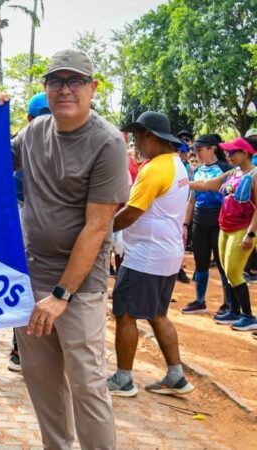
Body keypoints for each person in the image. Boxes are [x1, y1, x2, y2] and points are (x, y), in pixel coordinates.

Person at [11, 49, 129, 449]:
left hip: (78, 289)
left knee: (87, 385)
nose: (65, 90)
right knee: (42, 380)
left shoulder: (107, 143)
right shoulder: (34, 133)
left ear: (92, 88)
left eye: (75, 81)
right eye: (56, 81)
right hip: (31, 280)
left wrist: (61, 295)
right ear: (45, 89)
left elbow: (97, 228)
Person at [106, 111, 194, 398]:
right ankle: (176, 375)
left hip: (145, 255)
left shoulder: (154, 169)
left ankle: (123, 379)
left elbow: (132, 212)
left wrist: (102, 230)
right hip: (166, 253)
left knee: (125, 313)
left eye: (137, 137)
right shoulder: (176, 164)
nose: (136, 144)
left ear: (150, 136)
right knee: (157, 314)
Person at [190, 137, 257, 332]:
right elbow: (207, 184)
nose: (228, 155)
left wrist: (251, 234)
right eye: (227, 151)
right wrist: (184, 183)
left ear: (245, 153)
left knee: (234, 272)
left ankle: (249, 316)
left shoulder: (254, 175)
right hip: (225, 227)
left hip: (242, 229)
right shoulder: (233, 172)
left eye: (232, 152)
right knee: (227, 272)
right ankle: (234, 311)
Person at [8, 92, 52, 373]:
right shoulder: (22, 145)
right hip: (25, 222)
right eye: (42, 117)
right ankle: (20, 349)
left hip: (38, 226)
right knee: (26, 286)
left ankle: (26, 351)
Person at [181, 134, 233, 316]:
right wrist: (185, 224)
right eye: (195, 150)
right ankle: (200, 301)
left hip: (219, 221)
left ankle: (228, 303)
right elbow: (191, 200)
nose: (196, 153)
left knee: (222, 264)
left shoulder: (226, 169)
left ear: (212, 149)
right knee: (200, 263)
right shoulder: (196, 171)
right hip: (199, 221)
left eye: (200, 149)